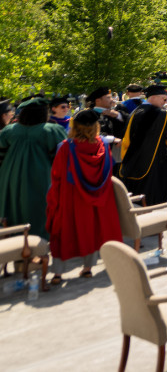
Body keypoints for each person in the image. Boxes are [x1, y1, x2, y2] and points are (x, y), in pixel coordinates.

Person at [45, 109, 121, 284]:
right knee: (92, 229)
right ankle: (87, 269)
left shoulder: (65, 147)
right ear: (96, 126)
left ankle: (58, 273)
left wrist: (53, 197)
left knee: (64, 229)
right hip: (99, 195)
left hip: (71, 195)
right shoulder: (102, 145)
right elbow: (108, 171)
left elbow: (57, 174)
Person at [0, 97, 69, 238]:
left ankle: (17, 242)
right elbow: (61, 158)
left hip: (10, 178)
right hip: (41, 178)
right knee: (39, 210)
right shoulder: (51, 130)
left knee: (13, 208)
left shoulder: (9, 131)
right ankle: (38, 244)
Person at [118, 85, 167, 206]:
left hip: (131, 161)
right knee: (151, 199)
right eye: (164, 99)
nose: (165, 103)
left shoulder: (135, 112)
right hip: (154, 163)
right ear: (154, 97)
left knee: (134, 197)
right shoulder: (163, 115)